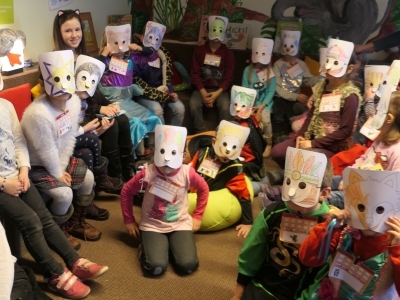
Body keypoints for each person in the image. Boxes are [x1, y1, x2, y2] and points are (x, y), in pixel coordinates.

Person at [0, 93, 108, 299]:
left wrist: (23, 169)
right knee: (31, 222)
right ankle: (55, 273)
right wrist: (4, 184)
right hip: (2, 185)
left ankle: (73, 260)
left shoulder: (5, 105)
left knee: (44, 218)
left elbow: (18, 139)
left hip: (17, 175)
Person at [21, 50, 104, 246]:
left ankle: (76, 222)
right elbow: (45, 149)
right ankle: (56, 232)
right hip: (38, 164)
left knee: (89, 178)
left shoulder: (74, 102)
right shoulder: (38, 113)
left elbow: (68, 138)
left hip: (60, 158)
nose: (65, 88)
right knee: (64, 194)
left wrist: (64, 165)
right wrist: (58, 173)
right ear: (43, 83)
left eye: (68, 78)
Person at [230, 147, 333, 300]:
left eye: (303, 186)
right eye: (289, 181)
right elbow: (251, 252)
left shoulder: (330, 224)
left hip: (304, 294)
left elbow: (327, 272)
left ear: (323, 194)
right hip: (267, 286)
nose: (291, 192)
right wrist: (239, 292)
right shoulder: (272, 213)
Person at [53, 9, 136, 180]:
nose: (74, 35)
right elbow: (68, 98)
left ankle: (128, 170)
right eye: (68, 30)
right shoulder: (58, 62)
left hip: (91, 107)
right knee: (112, 124)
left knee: (122, 118)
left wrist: (108, 104)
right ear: (59, 33)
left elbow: (93, 90)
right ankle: (114, 174)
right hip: (76, 115)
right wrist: (100, 107)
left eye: (77, 29)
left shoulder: (83, 57)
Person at [120, 125, 209, 276]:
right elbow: (127, 191)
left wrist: (198, 216)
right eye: (162, 152)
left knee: (188, 266)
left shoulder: (187, 173)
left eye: (173, 153)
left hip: (179, 223)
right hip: (152, 225)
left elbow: (204, 189)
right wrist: (129, 220)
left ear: (182, 154)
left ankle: (168, 248)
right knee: (155, 268)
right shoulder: (148, 172)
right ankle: (151, 247)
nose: (167, 159)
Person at [298, 167, 400, 299]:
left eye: (380, 209)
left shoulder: (395, 243)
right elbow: (308, 259)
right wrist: (328, 228)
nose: (369, 218)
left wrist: (397, 250)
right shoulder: (343, 231)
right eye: (361, 207)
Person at [271, 38, 362, 169]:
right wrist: (301, 136)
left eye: (336, 63)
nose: (329, 67)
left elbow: (345, 131)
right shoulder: (321, 87)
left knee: (305, 159)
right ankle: (291, 174)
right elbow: (311, 115)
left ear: (349, 69)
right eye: (327, 61)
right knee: (278, 152)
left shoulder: (350, 96)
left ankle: (292, 178)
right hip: (312, 138)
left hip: (332, 145)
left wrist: (313, 143)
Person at [328, 86, 400, 209]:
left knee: (325, 198)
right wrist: (349, 176)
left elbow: (392, 188)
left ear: (388, 119)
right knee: (322, 181)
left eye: (377, 112)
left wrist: (353, 185)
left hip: (368, 198)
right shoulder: (379, 140)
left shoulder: (396, 151)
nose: (373, 115)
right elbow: (363, 159)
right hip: (356, 181)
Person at [97, 23, 162, 158]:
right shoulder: (105, 62)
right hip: (113, 104)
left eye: (123, 42)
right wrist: (104, 54)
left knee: (154, 118)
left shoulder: (130, 59)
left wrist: (141, 48)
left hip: (128, 101)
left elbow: (153, 58)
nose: (120, 47)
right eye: (116, 42)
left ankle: (152, 148)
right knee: (136, 123)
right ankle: (139, 154)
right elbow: (94, 71)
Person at [190, 120, 253, 238]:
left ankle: (262, 185)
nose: (227, 152)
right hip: (193, 193)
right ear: (214, 143)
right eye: (224, 144)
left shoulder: (235, 168)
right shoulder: (202, 153)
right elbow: (188, 172)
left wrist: (247, 222)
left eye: (234, 147)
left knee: (253, 186)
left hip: (212, 196)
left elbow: (244, 195)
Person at [74, 54, 124, 199]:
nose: (87, 85)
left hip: (83, 137)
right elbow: (69, 134)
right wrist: (88, 129)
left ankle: (95, 188)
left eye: (92, 81)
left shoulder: (87, 101)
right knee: (90, 145)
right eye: (83, 78)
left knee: (117, 125)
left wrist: (100, 130)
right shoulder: (70, 103)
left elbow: (88, 134)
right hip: (68, 139)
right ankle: (101, 181)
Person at [133, 21, 185, 127]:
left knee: (180, 109)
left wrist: (171, 93)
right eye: (150, 37)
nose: (152, 42)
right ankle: (162, 139)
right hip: (144, 94)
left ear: (160, 43)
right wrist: (154, 93)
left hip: (163, 92)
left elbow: (167, 77)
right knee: (157, 110)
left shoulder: (162, 57)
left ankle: (173, 138)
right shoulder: (136, 56)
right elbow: (136, 82)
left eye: (157, 39)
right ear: (142, 38)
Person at [272, 29, 321, 141]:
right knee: (277, 117)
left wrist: (322, 75)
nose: (288, 49)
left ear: (297, 47)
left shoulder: (301, 64)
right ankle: (275, 141)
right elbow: (278, 88)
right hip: (280, 97)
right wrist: (296, 96)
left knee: (293, 118)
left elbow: (309, 80)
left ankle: (291, 140)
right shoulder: (278, 65)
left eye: (292, 46)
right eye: (285, 46)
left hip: (294, 99)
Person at [190, 15, 235, 133]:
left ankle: (222, 133)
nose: (216, 34)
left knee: (226, 106)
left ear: (224, 32)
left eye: (220, 31)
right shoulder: (199, 51)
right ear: (208, 31)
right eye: (214, 30)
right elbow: (195, 74)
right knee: (194, 104)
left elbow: (228, 78)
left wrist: (216, 94)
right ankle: (201, 133)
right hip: (201, 89)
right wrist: (204, 93)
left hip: (220, 90)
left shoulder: (228, 54)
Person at [242, 38, 276, 157]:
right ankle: (248, 143)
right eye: (257, 53)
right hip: (249, 103)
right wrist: (250, 105)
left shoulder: (270, 72)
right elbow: (245, 87)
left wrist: (262, 106)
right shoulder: (248, 70)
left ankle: (268, 143)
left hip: (265, 104)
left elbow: (271, 91)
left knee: (265, 120)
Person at [229, 85, 266, 181]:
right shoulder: (252, 119)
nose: (237, 109)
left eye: (243, 106)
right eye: (235, 104)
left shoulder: (242, 127)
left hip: (247, 163)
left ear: (252, 110)